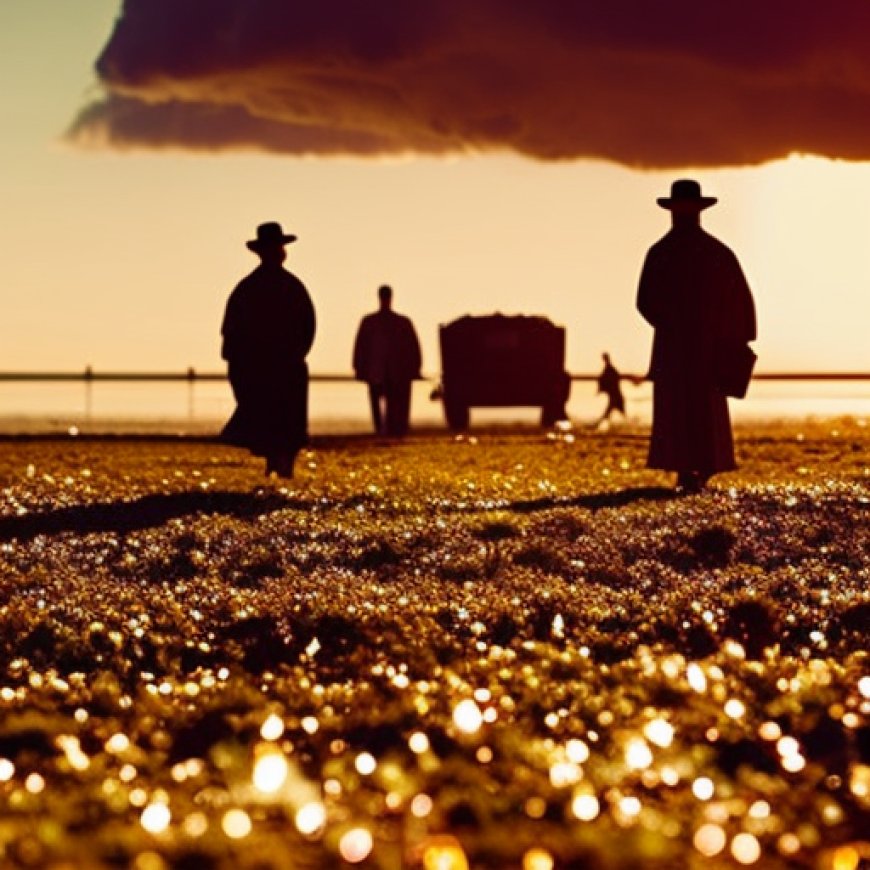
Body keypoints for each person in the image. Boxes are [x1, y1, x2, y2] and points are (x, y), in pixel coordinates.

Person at [637, 179, 756, 493]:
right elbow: (742, 301)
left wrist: (674, 327)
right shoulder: (715, 252)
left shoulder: (662, 252)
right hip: (703, 347)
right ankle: (696, 470)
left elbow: (645, 302)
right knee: (699, 410)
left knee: (685, 409)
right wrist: (734, 337)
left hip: (684, 348)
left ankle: (690, 470)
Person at [220, 221, 316, 478]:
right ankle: (279, 466)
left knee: (276, 421)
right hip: (276, 366)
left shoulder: (249, 288)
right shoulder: (285, 287)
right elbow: (307, 326)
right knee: (283, 422)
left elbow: (230, 338)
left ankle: (278, 466)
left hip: (270, 367)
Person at [352, 285, 422, 437]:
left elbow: (412, 347)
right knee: (387, 403)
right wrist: (359, 367)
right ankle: (387, 429)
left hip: (389, 371)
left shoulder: (376, 322)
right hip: (380, 370)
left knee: (392, 403)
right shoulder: (394, 322)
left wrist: (359, 367)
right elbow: (361, 346)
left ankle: (390, 429)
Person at [595, 352, 626, 425]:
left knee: (608, 414)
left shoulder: (609, 369)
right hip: (616, 396)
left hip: (615, 396)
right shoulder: (610, 369)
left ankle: (599, 426)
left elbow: (603, 380)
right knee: (613, 413)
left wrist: (600, 388)